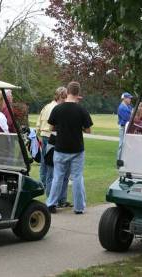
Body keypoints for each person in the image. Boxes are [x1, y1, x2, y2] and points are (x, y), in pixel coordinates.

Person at [46, 81, 93, 214]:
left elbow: (51, 127)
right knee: (77, 177)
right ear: (78, 93)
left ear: (67, 92)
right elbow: (88, 130)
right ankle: (78, 207)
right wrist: (80, 128)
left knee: (58, 177)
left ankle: (51, 204)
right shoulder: (82, 110)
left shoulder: (58, 108)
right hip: (77, 148)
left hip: (60, 148)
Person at [36, 87, 70, 206]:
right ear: (61, 96)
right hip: (52, 138)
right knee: (53, 169)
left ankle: (47, 190)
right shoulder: (57, 108)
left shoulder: (46, 106)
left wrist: (39, 135)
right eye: (65, 96)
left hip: (44, 136)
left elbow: (38, 122)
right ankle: (53, 198)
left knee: (45, 165)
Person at [117, 92, 133, 158]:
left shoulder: (128, 106)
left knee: (127, 144)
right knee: (122, 144)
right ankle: (119, 160)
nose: (130, 99)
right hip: (123, 127)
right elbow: (128, 118)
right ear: (125, 99)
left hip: (127, 127)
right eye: (129, 98)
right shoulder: (122, 107)